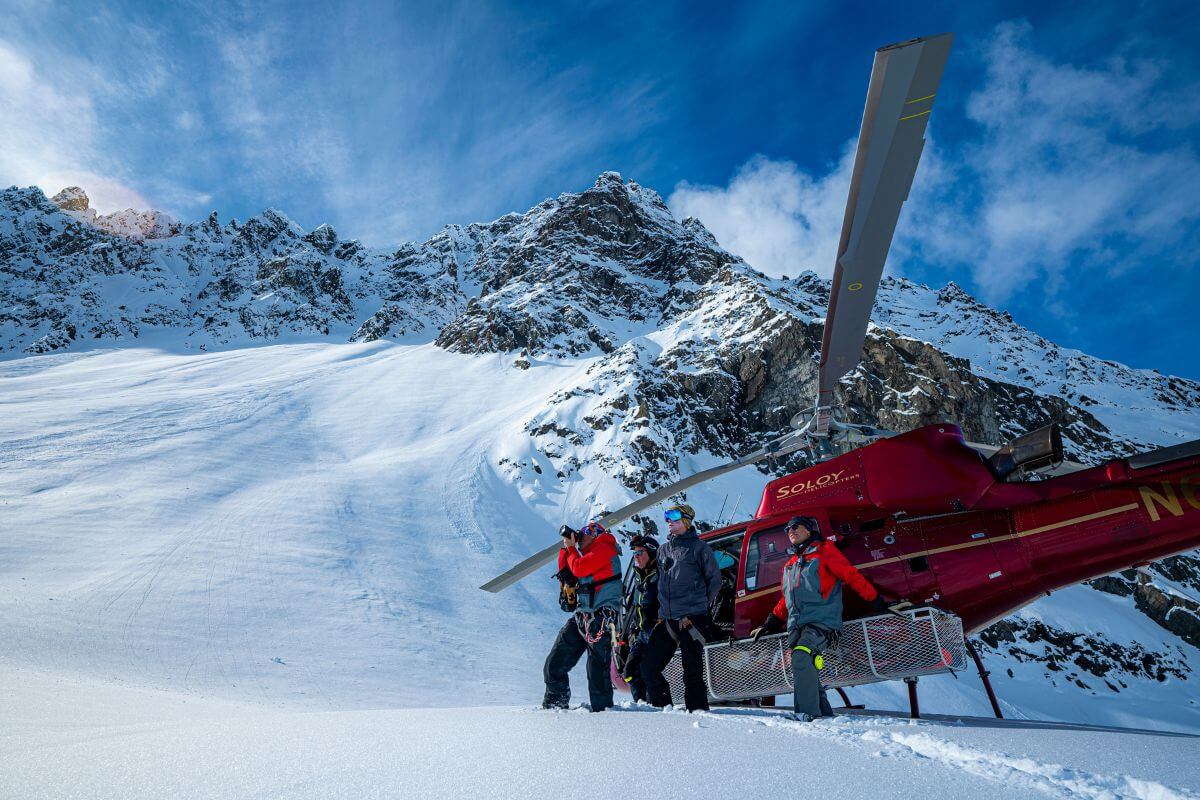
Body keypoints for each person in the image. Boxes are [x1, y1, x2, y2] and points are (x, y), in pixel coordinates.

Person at [751, 515, 890, 720]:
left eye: (796, 526)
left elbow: (851, 576)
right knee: (804, 664)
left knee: (801, 656)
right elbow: (786, 600)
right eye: (787, 529)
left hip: (822, 622)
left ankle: (807, 714)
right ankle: (823, 714)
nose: (791, 530)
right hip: (797, 627)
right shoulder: (790, 565)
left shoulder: (824, 551)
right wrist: (769, 622)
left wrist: (877, 602)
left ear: (808, 530)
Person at [640, 503, 721, 712]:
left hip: (692, 619)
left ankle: (698, 713)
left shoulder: (699, 548)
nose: (669, 523)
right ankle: (663, 709)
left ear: (686, 521)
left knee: (691, 671)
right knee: (649, 667)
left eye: (674, 519)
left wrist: (698, 607)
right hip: (667, 619)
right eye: (667, 519)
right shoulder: (663, 550)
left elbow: (715, 581)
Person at [542, 521, 623, 712]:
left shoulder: (605, 547)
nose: (580, 537)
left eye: (585, 532)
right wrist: (565, 548)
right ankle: (555, 705)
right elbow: (567, 571)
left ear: (596, 533)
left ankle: (603, 713)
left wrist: (571, 548)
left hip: (601, 618)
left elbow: (579, 569)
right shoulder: (584, 554)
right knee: (554, 664)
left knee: (597, 671)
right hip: (583, 617)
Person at [618, 534, 660, 702]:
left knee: (649, 671)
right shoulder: (638, 577)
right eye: (634, 554)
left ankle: (660, 704)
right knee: (629, 671)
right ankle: (642, 705)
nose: (636, 557)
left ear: (651, 553)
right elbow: (634, 606)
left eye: (639, 553)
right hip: (641, 632)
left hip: (656, 631)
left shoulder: (661, 576)